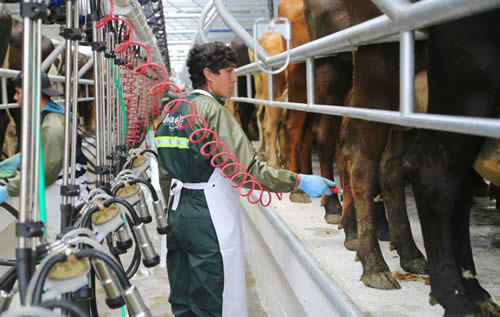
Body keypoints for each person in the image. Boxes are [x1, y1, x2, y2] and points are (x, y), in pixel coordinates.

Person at [155, 42, 336, 317]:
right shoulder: (212, 111)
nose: (235, 78)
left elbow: (164, 172)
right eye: (228, 71)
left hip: (177, 212)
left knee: (184, 296)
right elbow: (247, 170)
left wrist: (174, 212)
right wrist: (298, 181)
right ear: (209, 74)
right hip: (208, 215)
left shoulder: (171, 112)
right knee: (215, 298)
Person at [0, 72, 87, 238]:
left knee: (58, 254)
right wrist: (20, 158)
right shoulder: (49, 119)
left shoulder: (52, 126)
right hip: (61, 196)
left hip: (60, 199)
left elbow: (45, 175)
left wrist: (8, 190)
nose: (14, 97)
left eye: (18, 92)